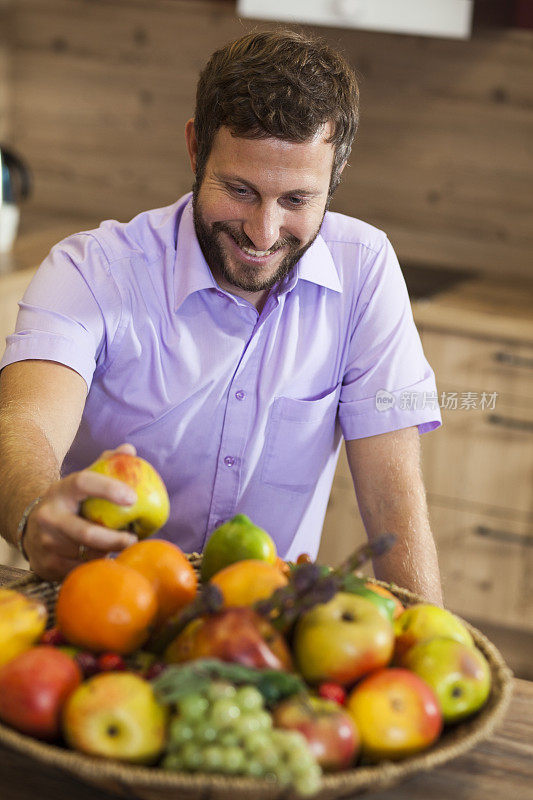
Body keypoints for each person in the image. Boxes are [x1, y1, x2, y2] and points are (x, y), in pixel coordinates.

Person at [0, 29, 443, 603]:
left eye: (297, 200)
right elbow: (22, 424)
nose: (263, 233)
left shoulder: (365, 271)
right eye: (240, 189)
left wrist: (435, 640)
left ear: (335, 175)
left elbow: (394, 499)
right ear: (194, 148)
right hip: (97, 612)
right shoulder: (92, 270)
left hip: (262, 634)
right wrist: (34, 510)